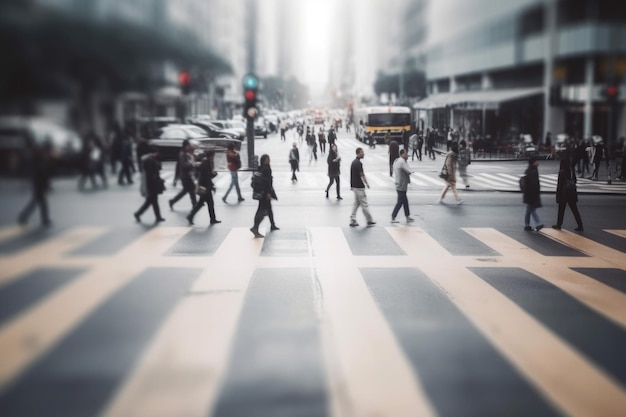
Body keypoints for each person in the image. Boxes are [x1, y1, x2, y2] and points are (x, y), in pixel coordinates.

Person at [18, 142, 53, 227]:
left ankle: (23, 217)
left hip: (38, 184)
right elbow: (41, 173)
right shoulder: (40, 159)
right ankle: (44, 220)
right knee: (40, 203)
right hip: (38, 185)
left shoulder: (40, 158)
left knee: (35, 203)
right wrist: (46, 185)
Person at [187, 150, 221, 226]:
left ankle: (212, 219)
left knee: (206, 204)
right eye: (213, 155)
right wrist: (212, 184)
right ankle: (191, 216)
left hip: (205, 187)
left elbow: (206, 176)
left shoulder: (205, 162)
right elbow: (206, 177)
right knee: (207, 204)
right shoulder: (206, 163)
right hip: (206, 188)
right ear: (211, 156)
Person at [134, 146, 165, 223]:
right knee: (151, 202)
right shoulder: (150, 161)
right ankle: (138, 214)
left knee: (152, 202)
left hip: (151, 185)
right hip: (152, 185)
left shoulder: (148, 160)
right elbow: (152, 174)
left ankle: (157, 217)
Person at [250, 154, 279, 238]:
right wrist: (268, 193)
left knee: (268, 209)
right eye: (267, 159)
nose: (269, 161)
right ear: (263, 160)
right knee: (261, 211)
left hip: (262, 193)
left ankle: (272, 225)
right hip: (265, 193)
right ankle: (255, 227)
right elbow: (268, 183)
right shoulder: (266, 169)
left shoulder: (260, 168)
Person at [552, 158, 583, 232]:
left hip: (564, 194)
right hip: (572, 193)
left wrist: (558, 195)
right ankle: (580, 225)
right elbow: (575, 180)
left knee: (561, 210)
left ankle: (559, 224)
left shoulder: (562, 172)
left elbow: (559, 185)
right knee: (575, 210)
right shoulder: (571, 170)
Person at [169, 140, 198, 210]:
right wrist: (192, 164)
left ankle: (172, 201)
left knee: (188, 190)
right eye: (188, 146)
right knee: (191, 189)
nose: (189, 147)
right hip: (185, 176)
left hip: (186, 175)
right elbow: (184, 165)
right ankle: (195, 204)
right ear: (185, 146)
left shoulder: (185, 153)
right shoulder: (182, 154)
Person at [349, 147, 375, 227]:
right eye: (362, 152)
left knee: (356, 203)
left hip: (354, 186)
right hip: (359, 186)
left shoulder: (354, 162)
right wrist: (366, 183)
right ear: (358, 153)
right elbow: (362, 175)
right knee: (364, 204)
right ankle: (369, 220)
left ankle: (352, 219)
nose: (363, 154)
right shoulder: (358, 163)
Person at [391, 149, 414, 223]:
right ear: (402, 154)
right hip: (401, 184)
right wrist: (411, 171)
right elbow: (408, 171)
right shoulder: (402, 161)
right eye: (406, 154)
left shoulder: (397, 160)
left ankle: (407, 216)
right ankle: (393, 217)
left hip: (399, 183)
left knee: (405, 201)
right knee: (400, 202)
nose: (407, 155)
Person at [522, 156, 543, 231]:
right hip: (531, 194)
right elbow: (533, 184)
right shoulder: (532, 171)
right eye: (537, 161)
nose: (538, 162)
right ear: (533, 162)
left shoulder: (531, 169)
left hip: (529, 194)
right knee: (532, 209)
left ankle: (527, 225)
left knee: (529, 210)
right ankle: (537, 224)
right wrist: (535, 193)